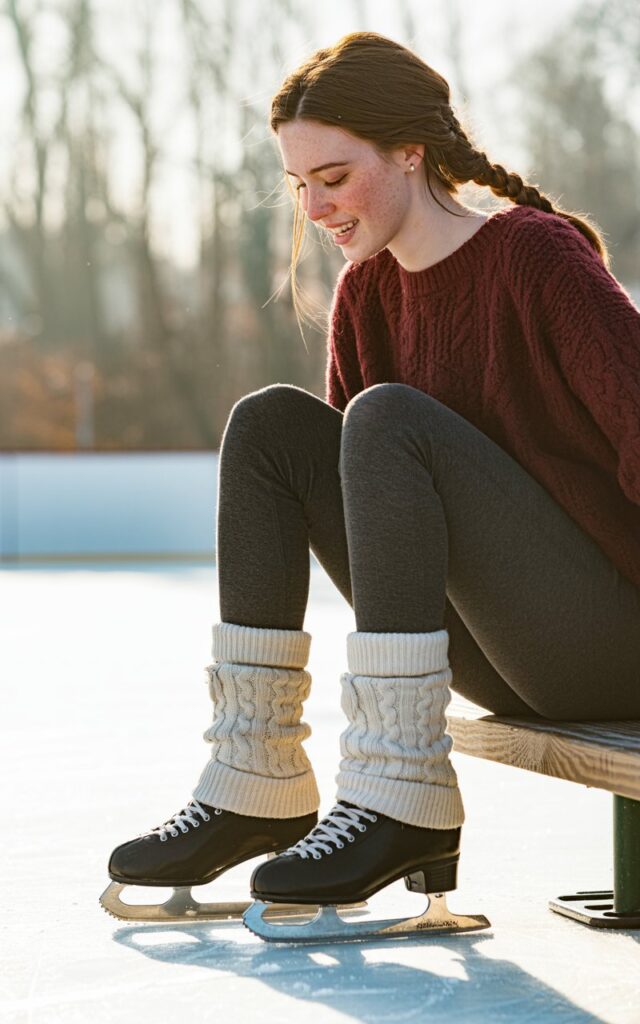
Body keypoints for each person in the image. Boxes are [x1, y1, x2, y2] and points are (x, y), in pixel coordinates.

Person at [101, 31, 640, 937]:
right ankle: (256, 780)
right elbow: (371, 510)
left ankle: (399, 787)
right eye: (298, 184)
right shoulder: (368, 294)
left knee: (385, 417)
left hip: (610, 639)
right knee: (272, 424)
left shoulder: (537, 258)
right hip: (496, 654)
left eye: (335, 177)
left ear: (409, 151)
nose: (313, 206)